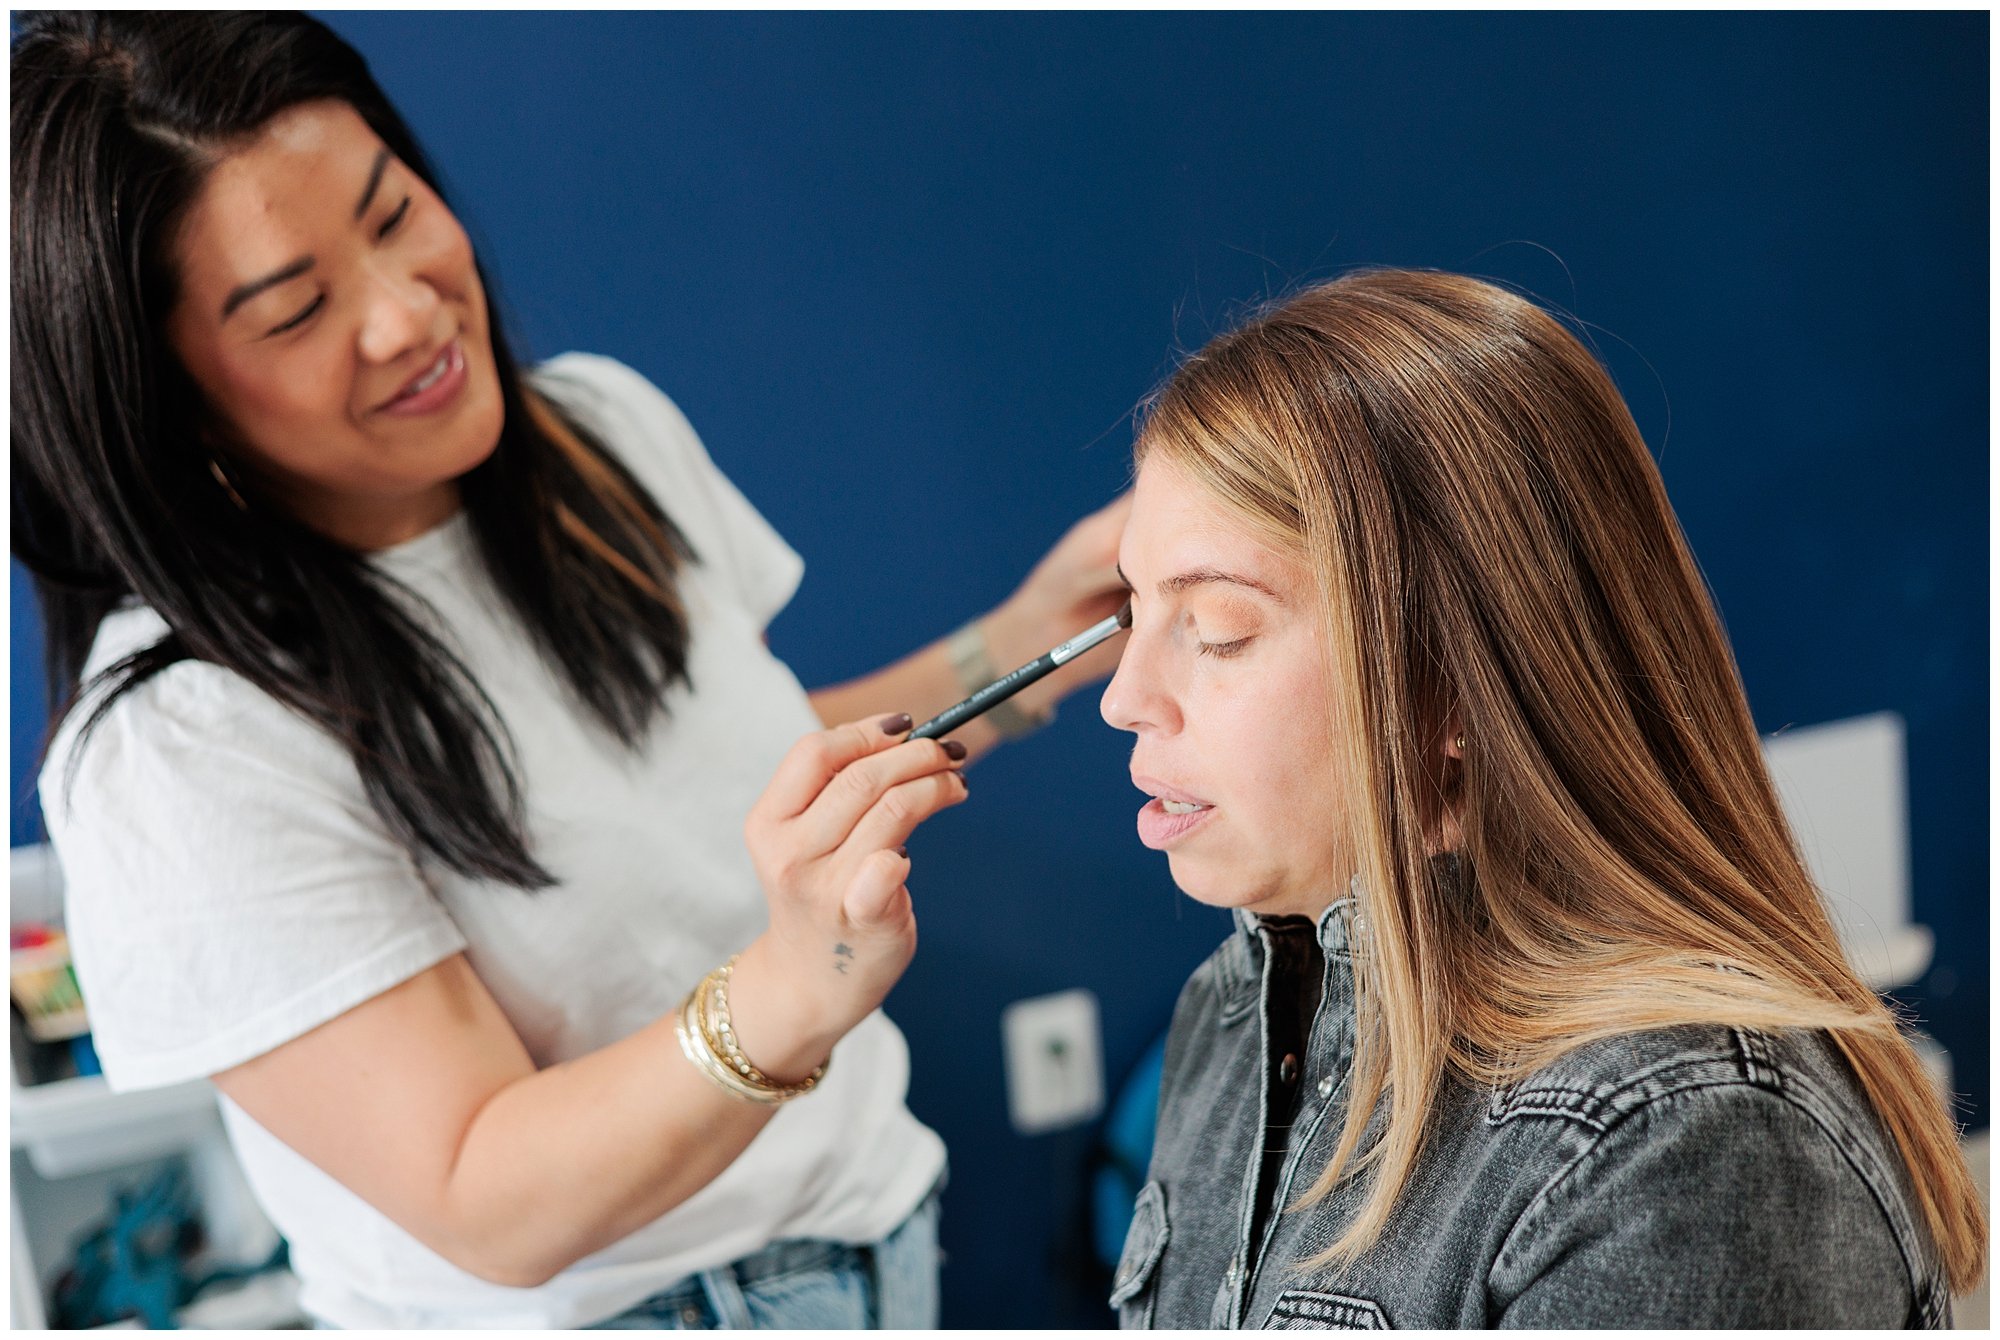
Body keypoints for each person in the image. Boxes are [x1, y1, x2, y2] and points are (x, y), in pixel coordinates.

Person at [10, 12, 1128, 1329]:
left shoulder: (599, 436)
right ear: (161, 400)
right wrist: (791, 987)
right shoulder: (183, 741)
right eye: (300, 308)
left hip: (873, 1222)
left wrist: (1020, 645)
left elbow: (723, 783)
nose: (410, 313)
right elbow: (489, 1196)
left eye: (393, 213)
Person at [1097, 268, 1986, 1328]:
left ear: (1457, 676)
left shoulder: (1685, 1141)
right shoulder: (1231, 1007)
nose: (1122, 698)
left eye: (1217, 629)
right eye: (1130, 612)